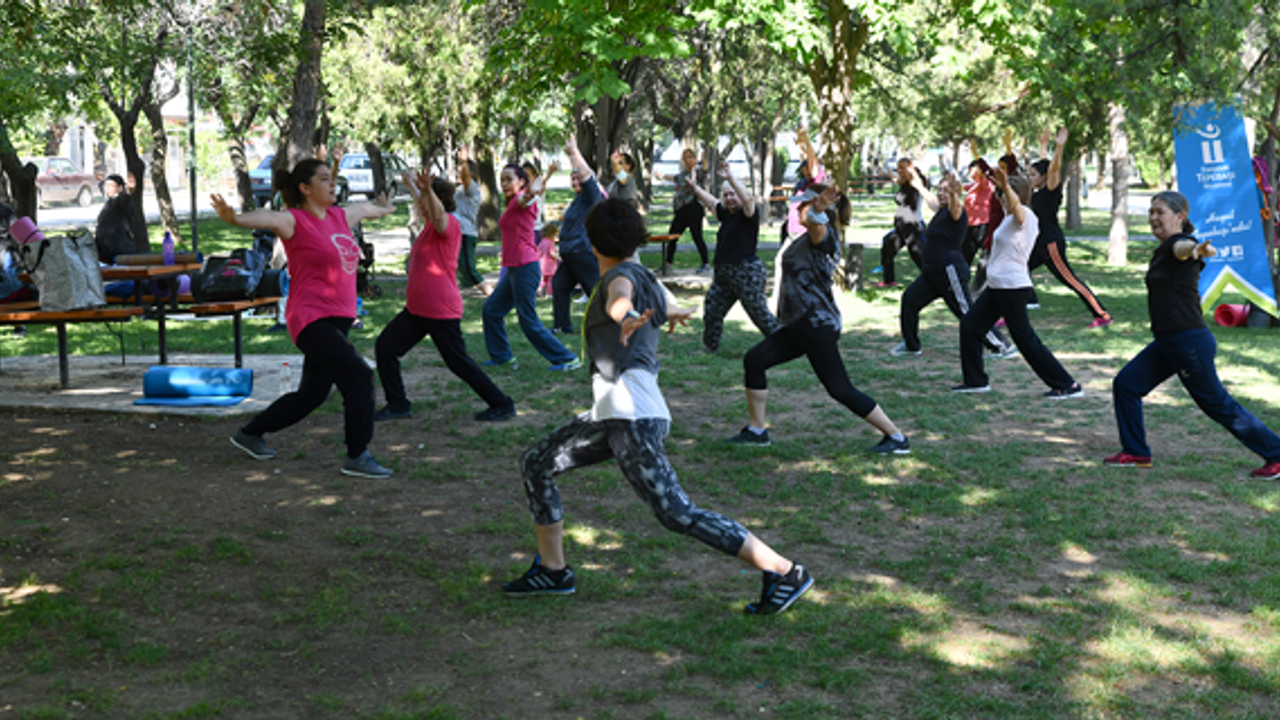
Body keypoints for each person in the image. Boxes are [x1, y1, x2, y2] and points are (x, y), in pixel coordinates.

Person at [503, 197, 814, 615]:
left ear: (591, 242)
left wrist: (624, 315)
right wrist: (673, 310)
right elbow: (661, 301)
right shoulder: (643, 273)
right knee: (537, 462)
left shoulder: (622, 278)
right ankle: (554, 570)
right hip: (616, 410)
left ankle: (784, 570)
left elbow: (619, 298)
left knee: (675, 512)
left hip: (632, 414)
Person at [212, 158, 398, 478]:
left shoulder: (340, 215)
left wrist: (386, 206)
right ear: (305, 188)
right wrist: (234, 218)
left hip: (339, 317)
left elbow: (371, 210)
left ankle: (250, 433)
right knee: (359, 375)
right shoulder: (295, 221)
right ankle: (358, 454)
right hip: (311, 317)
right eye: (325, 179)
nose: (332, 184)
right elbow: (267, 216)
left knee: (312, 394)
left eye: (332, 179)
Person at [726, 182, 911, 455]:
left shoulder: (823, 236)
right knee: (754, 360)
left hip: (815, 325)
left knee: (839, 388)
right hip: (799, 325)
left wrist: (816, 211)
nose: (798, 208)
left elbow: (817, 226)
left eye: (803, 204)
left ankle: (896, 437)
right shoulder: (803, 237)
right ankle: (757, 431)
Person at [1106, 192, 1280, 479]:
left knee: (1217, 404)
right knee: (1126, 384)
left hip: (1187, 342)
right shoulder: (1164, 249)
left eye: (1159, 212)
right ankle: (1136, 452)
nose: (1152, 218)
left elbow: (1186, 249)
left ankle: (1275, 453)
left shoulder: (1177, 245)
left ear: (1179, 217)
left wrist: (1199, 249)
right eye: (1150, 212)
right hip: (1168, 342)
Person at [374, 169, 516, 424]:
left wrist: (427, 191)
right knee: (386, 347)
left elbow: (436, 211)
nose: (419, 205)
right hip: (418, 309)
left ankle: (501, 403)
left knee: (458, 362)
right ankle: (398, 404)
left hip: (439, 308)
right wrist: (412, 184)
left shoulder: (448, 224)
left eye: (424, 200)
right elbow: (426, 205)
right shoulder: (430, 224)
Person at [953, 165, 1082, 398]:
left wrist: (1006, 186)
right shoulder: (1007, 219)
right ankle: (975, 380)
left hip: (1012, 287)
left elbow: (1017, 207)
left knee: (1024, 339)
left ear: (1018, 195)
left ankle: (1067, 385)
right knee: (971, 326)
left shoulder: (1026, 216)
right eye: (1000, 194)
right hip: (998, 287)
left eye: (1005, 193)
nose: (1001, 198)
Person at [891, 173, 1013, 358]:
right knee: (910, 299)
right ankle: (911, 345)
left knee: (967, 312)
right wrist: (918, 184)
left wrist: (953, 194)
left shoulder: (956, 211)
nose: (941, 194)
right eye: (940, 190)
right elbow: (931, 200)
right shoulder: (941, 210)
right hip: (932, 272)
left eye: (945, 191)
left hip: (949, 271)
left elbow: (955, 206)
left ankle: (1001, 346)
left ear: (954, 194)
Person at [481, 163, 581, 371]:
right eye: (502, 180)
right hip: (513, 268)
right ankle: (502, 357)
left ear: (522, 182)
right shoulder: (513, 203)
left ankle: (567, 358)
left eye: (509, 179)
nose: (504, 183)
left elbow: (531, 194)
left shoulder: (521, 200)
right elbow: (533, 192)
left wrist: (545, 178)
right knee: (491, 310)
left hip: (525, 268)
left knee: (528, 320)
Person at [686, 159, 779, 353]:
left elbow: (749, 200)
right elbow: (711, 202)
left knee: (759, 314)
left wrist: (731, 178)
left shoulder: (748, 215)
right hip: (724, 276)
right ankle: (710, 345)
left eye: (733, 194)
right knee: (712, 308)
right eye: (726, 195)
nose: (729, 198)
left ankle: (782, 343)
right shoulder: (726, 214)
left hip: (746, 273)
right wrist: (695, 188)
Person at [1027, 127, 1112, 328]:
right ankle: (1007, 312)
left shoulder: (1050, 192)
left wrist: (1059, 147)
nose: (1029, 178)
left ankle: (1103, 315)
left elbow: (1053, 169)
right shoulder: (1038, 192)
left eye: (1033, 175)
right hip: (1038, 244)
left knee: (1071, 281)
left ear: (1044, 177)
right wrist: (1043, 145)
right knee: (1015, 271)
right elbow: (1045, 166)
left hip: (1051, 244)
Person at [550, 137, 604, 335]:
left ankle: (612, 324)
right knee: (560, 285)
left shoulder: (592, 194)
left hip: (582, 252)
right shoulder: (579, 199)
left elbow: (587, 175)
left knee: (596, 291)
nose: (575, 181)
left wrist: (574, 153)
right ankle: (562, 326)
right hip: (571, 253)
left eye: (577, 178)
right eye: (572, 178)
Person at [653, 148, 709, 275]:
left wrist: (703, 159)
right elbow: (673, 178)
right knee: (672, 235)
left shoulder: (698, 171)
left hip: (694, 208)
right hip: (681, 210)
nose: (687, 160)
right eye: (684, 158)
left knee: (697, 237)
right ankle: (668, 264)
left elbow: (705, 170)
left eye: (689, 156)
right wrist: (660, 175)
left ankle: (706, 264)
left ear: (694, 158)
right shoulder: (683, 174)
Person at [879, 158, 932, 288]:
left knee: (918, 254)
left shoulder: (916, 181)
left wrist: (911, 170)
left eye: (902, 168)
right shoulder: (904, 183)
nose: (899, 171)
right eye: (898, 168)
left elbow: (916, 180)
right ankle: (889, 280)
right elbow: (898, 179)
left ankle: (933, 280)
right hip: (901, 226)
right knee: (887, 249)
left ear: (910, 168)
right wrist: (890, 173)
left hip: (911, 225)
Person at [453, 147, 490, 297]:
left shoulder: (473, 189)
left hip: (466, 233)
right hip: (456, 233)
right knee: (456, 266)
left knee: (470, 269)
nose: (458, 173)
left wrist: (464, 161)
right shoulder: (459, 190)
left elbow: (467, 178)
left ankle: (491, 295)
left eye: (460, 170)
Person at [95, 173, 135, 263]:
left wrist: (131, 189)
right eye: (105, 185)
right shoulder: (109, 203)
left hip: (120, 248)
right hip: (106, 248)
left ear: (120, 188)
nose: (107, 188)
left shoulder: (122, 202)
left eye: (111, 185)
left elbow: (127, 197)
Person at [537, 223, 560, 298]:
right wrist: (560, 258)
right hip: (550, 265)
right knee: (551, 280)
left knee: (544, 280)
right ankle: (549, 294)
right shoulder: (550, 243)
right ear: (551, 234)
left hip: (542, 265)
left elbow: (538, 253)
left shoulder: (542, 242)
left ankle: (539, 290)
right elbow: (552, 253)